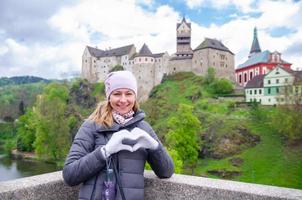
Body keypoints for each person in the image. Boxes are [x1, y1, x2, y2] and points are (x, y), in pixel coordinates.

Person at [63, 70, 174, 200]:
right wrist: (105, 152)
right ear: (109, 96)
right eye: (116, 94)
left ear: (135, 96)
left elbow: (166, 172)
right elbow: (69, 175)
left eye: (128, 94)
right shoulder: (91, 126)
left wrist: (155, 147)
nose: (123, 100)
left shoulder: (144, 128)